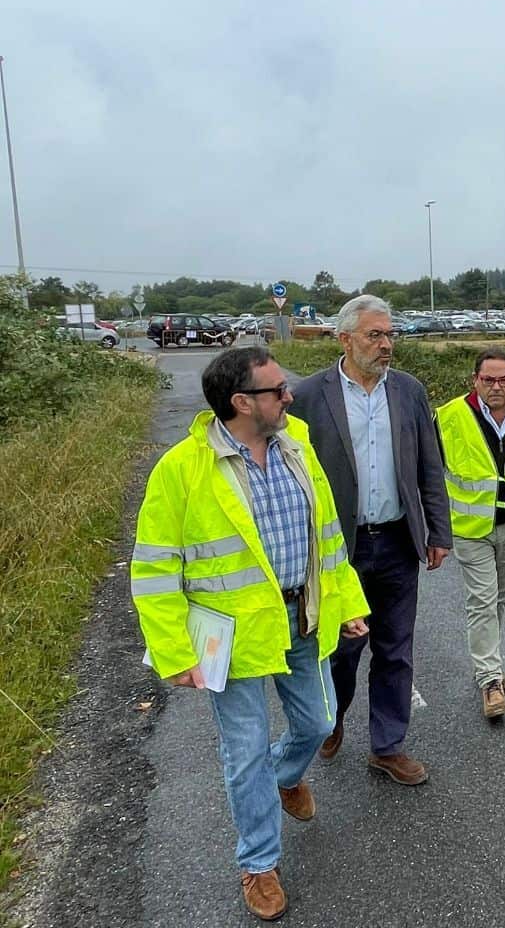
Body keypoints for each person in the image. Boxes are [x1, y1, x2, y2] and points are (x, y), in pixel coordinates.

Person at [130, 346, 370, 921]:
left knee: (318, 721)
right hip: (230, 635)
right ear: (242, 402)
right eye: (276, 390)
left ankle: (286, 777)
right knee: (244, 753)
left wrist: (348, 603)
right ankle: (259, 864)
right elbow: (155, 568)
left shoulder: (297, 445)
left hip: (305, 616)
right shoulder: (182, 468)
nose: (289, 396)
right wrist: (173, 652)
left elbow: (327, 535)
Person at [289, 294, 452, 787]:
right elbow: (295, 475)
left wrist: (438, 531)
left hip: (399, 541)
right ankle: (331, 718)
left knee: (396, 648)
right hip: (340, 550)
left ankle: (387, 746)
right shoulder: (310, 396)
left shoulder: (408, 391)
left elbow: (430, 464)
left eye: (389, 335)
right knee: (340, 650)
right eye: (374, 336)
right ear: (344, 339)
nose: (386, 345)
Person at [435, 347, 505, 719]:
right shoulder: (448, 417)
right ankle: (491, 680)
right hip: (470, 529)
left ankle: (488, 661)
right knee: (482, 599)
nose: (496, 386)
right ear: (475, 380)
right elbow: (431, 474)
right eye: (488, 379)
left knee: (502, 599)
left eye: (504, 379)